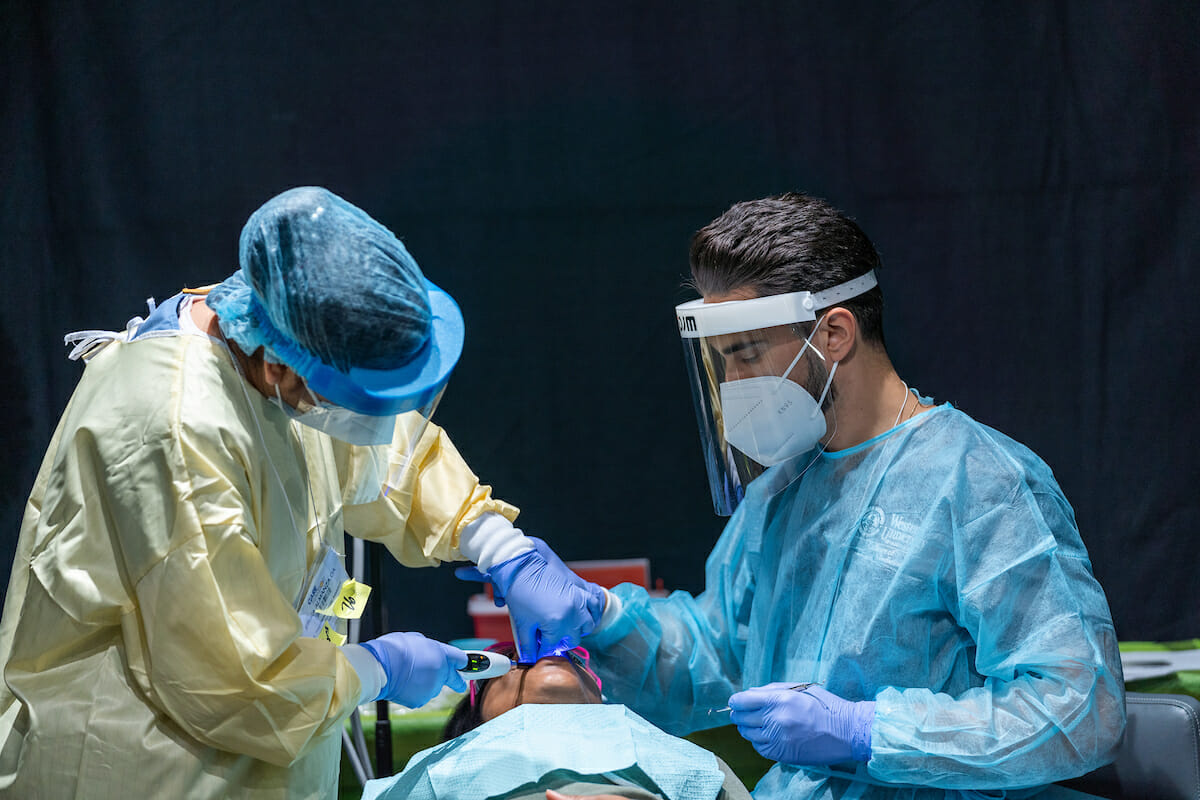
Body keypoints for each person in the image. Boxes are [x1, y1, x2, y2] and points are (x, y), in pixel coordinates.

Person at [487, 194, 1126, 798]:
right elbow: (718, 654)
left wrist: (868, 730)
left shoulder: (978, 482)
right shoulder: (784, 490)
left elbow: (1078, 707)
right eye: (720, 362)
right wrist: (602, 615)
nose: (733, 384)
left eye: (744, 354)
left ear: (834, 334)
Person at [0, 187, 603, 799]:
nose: (381, 425)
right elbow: (234, 681)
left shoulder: (290, 344)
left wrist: (496, 543)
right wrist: (376, 670)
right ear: (280, 366)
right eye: (367, 404)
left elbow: (386, 456)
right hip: (145, 770)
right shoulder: (178, 428)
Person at [362, 639, 753, 800]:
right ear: (476, 721)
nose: (541, 653)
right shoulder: (431, 777)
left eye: (570, 653)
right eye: (511, 657)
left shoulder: (699, 770)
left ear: (601, 700)